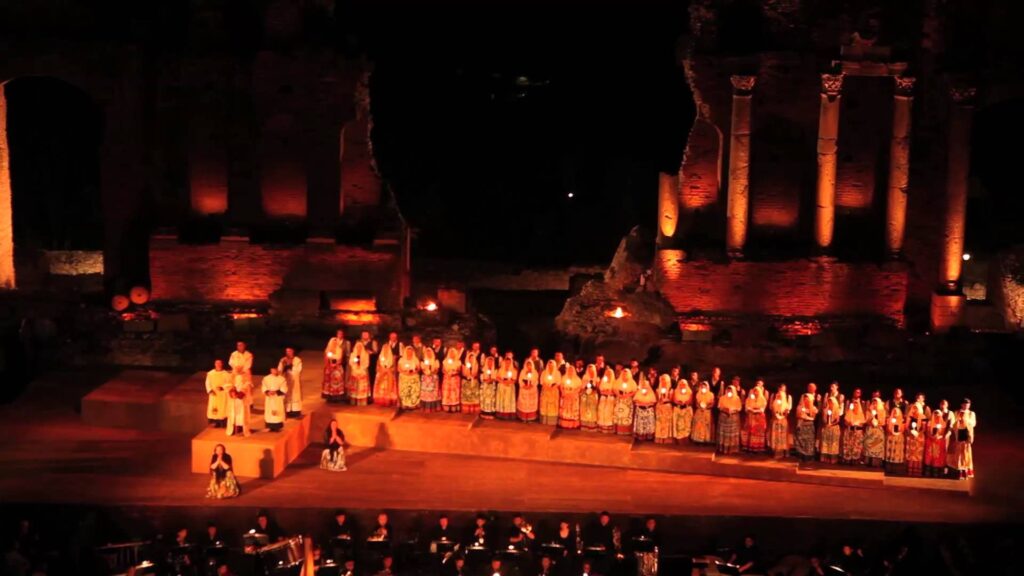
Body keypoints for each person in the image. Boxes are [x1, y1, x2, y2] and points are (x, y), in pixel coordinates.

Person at [740, 381, 767, 453]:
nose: (756, 393)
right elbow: (746, 406)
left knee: (758, 433)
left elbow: (762, 409)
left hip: (759, 418)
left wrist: (756, 410)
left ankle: (758, 448)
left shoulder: (763, 399)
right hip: (751, 417)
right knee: (750, 432)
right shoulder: (750, 399)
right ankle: (749, 447)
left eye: (757, 391)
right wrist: (750, 409)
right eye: (754, 391)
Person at [841, 389, 866, 465]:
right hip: (849, 430)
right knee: (848, 446)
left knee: (856, 446)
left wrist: (857, 423)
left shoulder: (862, 406)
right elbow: (846, 420)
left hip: (857, 431)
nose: (855, 406)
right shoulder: (849, 408)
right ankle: (847, 459)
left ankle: (855, 460)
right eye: (854, 404)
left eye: (857, 405)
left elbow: (863, 421)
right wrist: (849, 422)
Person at [924, 405, 950, 477]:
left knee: (937, 456)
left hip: (939, 441)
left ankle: (937, 471)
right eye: (935, 415)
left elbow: (943, 433)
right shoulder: (930, 422)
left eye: (938, 415)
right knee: (930, 455)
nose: (936, 416)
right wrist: (931, 436)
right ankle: (928, 471)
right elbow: (927, 432)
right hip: (930, 440)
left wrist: (939, 436)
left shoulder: (943, 423)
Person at [953, 398, 976, 479]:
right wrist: (958, 421)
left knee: (966, 452)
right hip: (959, 433)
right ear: (962, 404)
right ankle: (959, 470)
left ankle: (966, 470)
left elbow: (973, 423)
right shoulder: (957, 412)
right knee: (959, 452)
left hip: (967, 433)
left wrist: (965, 420)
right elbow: (953, 423)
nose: (966, 405)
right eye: (965, 404)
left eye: (968, 404)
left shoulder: (971, 413)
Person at [278, 347, 304, 418]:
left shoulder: (297, 360)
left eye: (289, 351)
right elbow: (279, 370)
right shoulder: (283, 360)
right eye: (286, 351)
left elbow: (298, 370)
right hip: (286, 380)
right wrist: (284, 368)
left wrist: (290, 366)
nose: (288, 353)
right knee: (287, 394)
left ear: (293, 351)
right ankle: (287, 411)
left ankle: (296, 411)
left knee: (295, 395)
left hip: (294, 380)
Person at [716, 384, 742, 454]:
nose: (729, 392)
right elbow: (719, 406)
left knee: (732, 434)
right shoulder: (722, 398)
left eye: (731, 390)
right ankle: (722, 448)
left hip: (733, 418)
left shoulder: (737, 398)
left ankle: (732, 449)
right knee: (723, 433)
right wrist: (725, 410)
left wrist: (732, 411)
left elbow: (739, 408)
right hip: (723, 418)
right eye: (728, 390)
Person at [863, 393, 887, 467]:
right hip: (870, 430)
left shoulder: (882, 411)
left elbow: (883, 422)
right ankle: (868, 461)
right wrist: (871, 419)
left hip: (878, 430)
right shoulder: (869, 411)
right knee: (869, 445)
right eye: (873, 403)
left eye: (876, 403)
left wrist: (877, 422)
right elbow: (866, 420)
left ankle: (876, 463)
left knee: (877, 446)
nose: (874, 404)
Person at [226, 367, 252, 437]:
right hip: (233, 399)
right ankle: (233, 430)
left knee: (242, 415)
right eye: (236, 368)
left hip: (242, 399)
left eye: (239, 368)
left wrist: (239, 394)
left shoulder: (245, 376)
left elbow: (247, 385)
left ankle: (243, 430)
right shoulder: (232, 376)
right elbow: (228, 385)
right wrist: (232, 392)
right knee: (233, 414)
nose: (238, 369)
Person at [205, 360, 231, 428]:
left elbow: (229, 383)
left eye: (220, 363)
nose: (218, 364)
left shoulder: (226, 374)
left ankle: (222, 423)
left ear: (222, 364)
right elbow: (207, 383)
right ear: (215, 364)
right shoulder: (210, 373)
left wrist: (223, 387)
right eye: (217, 363)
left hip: (222, 394)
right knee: (214, 408)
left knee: (223, 408)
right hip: (214, 394)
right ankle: (215, 422)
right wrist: (210, 390)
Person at [261, 367, 288, 432]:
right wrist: (267, 392)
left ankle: (278, 426)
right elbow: (264, 387)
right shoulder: (266, 378)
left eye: (276, 370)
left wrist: (276, 392)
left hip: (277, 398)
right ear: (271, 370)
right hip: (269, 398)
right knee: (269, 412)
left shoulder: (282, 379)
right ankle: (269, 426)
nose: (274, 371)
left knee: (278, 412)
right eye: (273, 370)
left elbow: (284, 388)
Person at [794, 393, 818, 461]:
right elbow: (799, 415)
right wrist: (803, 416)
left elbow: (813, 418)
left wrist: (807, 417)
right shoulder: (800, 407)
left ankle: (808, 456)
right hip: (802, 426)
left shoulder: (813, 408)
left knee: (809, 441)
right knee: (801, 440)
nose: (806, 401)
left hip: (809, 426)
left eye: (807, 399)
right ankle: (801, 455)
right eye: (805, 399)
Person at [769, 384, 791, 458]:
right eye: (781, 389)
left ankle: (784, 450)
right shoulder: (774, 398)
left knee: (783, 435)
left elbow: (788, 408)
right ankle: (776, 451)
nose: (782, 391)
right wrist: (775, 413)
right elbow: (771, 407)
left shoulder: (787, 397)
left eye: (784, 389)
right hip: (775, 419)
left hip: (783, 419)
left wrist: (784, 414)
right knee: (776, 435)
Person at [819, 393, 842, 464]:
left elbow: (837, 420)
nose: (830, 403)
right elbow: (823, 419)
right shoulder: (825, 410)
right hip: (826, 428)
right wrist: (826, 423)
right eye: (829, 402)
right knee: (825, 443)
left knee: (833, 443)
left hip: (834, 428)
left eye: (831, 402)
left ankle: (833, 458)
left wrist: (832, 424)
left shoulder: (837, 410)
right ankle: (825, 457)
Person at [613, 369, 637, 436]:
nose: (624, 375)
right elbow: (614, 389)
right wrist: (619, 395)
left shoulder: (632, 382)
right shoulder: (618, 381)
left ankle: (626, 431)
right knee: (619, 414)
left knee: (627, 414)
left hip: (628, 400)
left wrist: (627, 395)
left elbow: (634, 391)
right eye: (623, 374)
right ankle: (618, 430)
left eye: (626, 374)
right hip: (619, 400)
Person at [632, 374, 656, 441]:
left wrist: (646, 403)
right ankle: (640, 436)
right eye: (643, 385)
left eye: (646, 386)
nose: (644, 387)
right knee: (640, 424)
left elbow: (653, 402)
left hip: (648, 410)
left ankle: (649, 436)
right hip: (640, 410)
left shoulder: (651, 393)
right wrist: (641, 403)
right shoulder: (639, 392)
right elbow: (636, 401)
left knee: (648, 424)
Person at [323, 338, 347, 403]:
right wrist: (329, 366)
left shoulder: (339, 350)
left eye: (336, 342)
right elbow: (326, 359)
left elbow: (340, 359)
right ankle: (330, 397)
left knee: (337, 382)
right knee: (329, 382)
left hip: (337, 368)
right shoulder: (328, 350)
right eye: (333, 342)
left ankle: (337, 397)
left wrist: (336, 365)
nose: (334, 343)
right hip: (329, 368)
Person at [558, 365, 583, 429]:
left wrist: (573, 393)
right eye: (569, 370)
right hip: (566, 396)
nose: (570, 371)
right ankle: (564, 423)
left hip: (573, 396)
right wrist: (564, 392)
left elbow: (580, 388)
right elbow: (561, 386)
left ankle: (573, 424)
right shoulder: (564, 378)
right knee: (566, 410)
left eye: (572, 370)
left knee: (572, 409)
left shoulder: (577, 379)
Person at [348, 341, 372, 406]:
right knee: (354, 386)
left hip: (362, 372)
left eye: (360, 347)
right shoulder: (353, 354)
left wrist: (361, 369)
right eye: (357, 347)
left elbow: (367, 363)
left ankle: (362, 401)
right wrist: (355, 367)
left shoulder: (366, 354)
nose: (359, 348)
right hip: (354, 372)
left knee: (361, 387)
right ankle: (354, 400)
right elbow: (351, 362)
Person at [398, 346, 421, 410]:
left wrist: (414, 372)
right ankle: (405, 403)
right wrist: (404, 372)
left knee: (413, 390)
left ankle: (413, 404)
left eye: (410, 352)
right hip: (404, 376)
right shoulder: (401, 360)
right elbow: (399, 368)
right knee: (405, 391)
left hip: (413, 376)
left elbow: (418, 368)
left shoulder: (415, 359)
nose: (409, 353)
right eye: (408, 352)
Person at [884, 404, 906, 474]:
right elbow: (887, 429)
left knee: (897, 452)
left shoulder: (902, 420)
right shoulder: (889, 420)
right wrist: (891, 429)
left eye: (896, 412)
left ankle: (896, 468)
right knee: (890, 452)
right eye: (894, 412)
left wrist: (898, 431)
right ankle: (889, 468)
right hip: (891, 437)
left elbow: (902, 429)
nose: (895, 413)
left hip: (898, 438)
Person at [539, 360, 561, 426]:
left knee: (552, 406)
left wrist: (553, 387)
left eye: (552, 365)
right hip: (545, 390)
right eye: (549, 365)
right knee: (544, 404)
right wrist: (546, 386)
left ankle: (552, 421)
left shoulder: (557, 373)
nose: (550, 366)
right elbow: (541, 381)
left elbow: (559, 382)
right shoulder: (544, 372)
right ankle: (544, 420)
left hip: (553, 391)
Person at [671, 377, 693, 443]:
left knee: (687, 424)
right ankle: (679, 439)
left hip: (686, 410)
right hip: (678, 409)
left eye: (684, 384)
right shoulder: (676, 391)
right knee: (679, 424)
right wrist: (679, 402)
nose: (682, 385)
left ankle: (686, 438)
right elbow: (674, 400)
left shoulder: (689, 391)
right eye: (681, 384)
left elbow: (691, 400)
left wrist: (685, 402)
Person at [653, 375, 674, 444]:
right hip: (659, 407)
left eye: (664, 380)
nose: (663, 381)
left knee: (666, 423)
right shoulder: (658, 389)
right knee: (659, 422)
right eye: (662, 380)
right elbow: (656, 399)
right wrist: (660, 400)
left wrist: (665, 399)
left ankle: (666, 438)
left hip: (667, 407)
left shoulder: (670, 390)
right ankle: (659, 438)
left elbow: (671, 399)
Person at [441, 347, 463, 412]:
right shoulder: (445, 361)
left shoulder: (458, 362)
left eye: (453, 353)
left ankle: (454, 406)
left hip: (455, 379)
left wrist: (455, 372)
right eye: (450, 353)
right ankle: (447, 406)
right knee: (447, 393)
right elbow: (443, 370)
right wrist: (446, 372)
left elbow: (459, 370)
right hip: (447, 379)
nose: (452, 354)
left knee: (454, 393)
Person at [420, 347, 441, 412]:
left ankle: (433, 407)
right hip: (426, 379)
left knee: (433, 393)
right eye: (427, 352)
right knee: (426, 393)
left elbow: (437, 370)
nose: (428, 354)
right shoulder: (423, 361)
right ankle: (425, 407)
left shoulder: (435, 361)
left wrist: (432, 372)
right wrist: (426, 372)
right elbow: (423, 369)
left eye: (430, 352)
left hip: (433, 378)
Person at [579, 365, 600, 431]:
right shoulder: (585, 377)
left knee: (592, 410)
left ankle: (591, 426)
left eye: (592, 370)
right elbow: (582, 387)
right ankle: (584, 425)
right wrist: (585, 389)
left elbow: (598, 388)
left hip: (593, 396)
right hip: (585, 395)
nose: (590, 371)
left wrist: (594, 390)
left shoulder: (597, 378)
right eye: (589, 370)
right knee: (584, 409)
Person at [596, 368, 616, 434]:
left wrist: (609, 392)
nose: (608, 374)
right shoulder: (603, 381)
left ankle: (608, 427)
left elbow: (615, 391)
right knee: (601, 411)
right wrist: (604, 391)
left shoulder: (614, 382)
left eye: (609, 373)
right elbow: (600, 390)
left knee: (609, 412)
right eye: (607, 373)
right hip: (603, 398)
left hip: (610, 399)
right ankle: (601, 426)